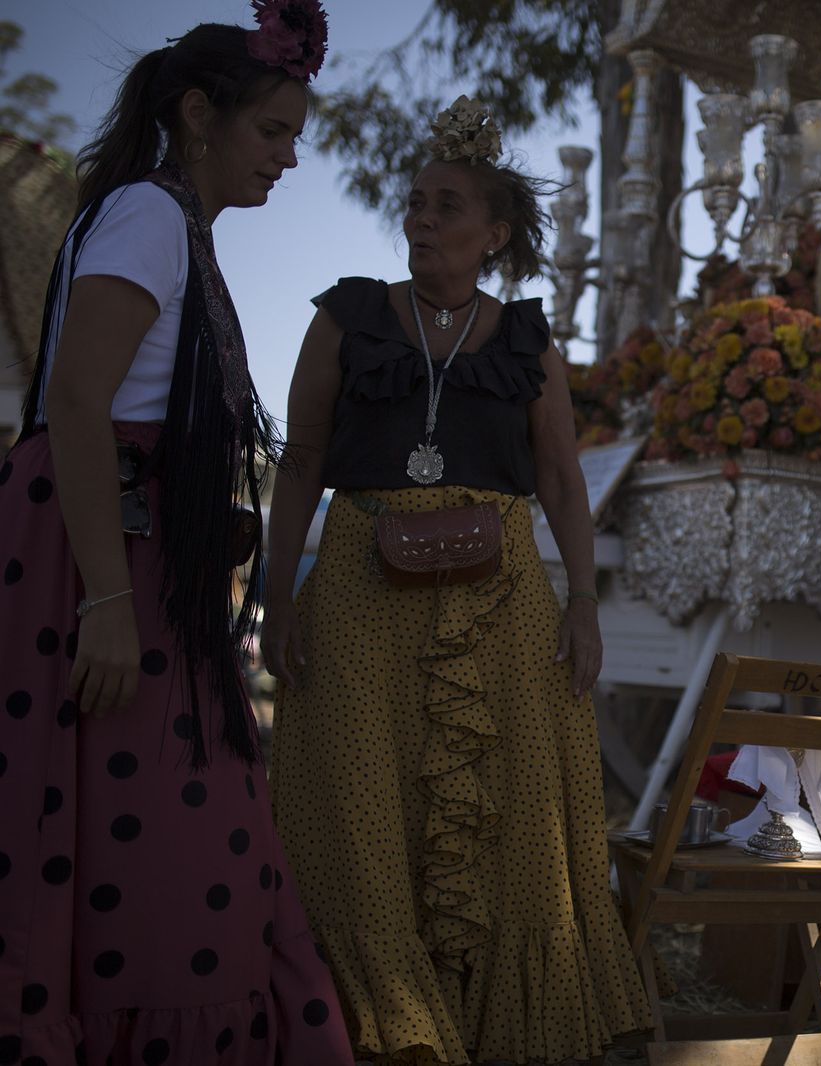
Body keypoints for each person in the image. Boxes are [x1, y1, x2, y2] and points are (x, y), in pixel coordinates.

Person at [261, 97, 651, 1065]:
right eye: (416, 201)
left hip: (499, 603)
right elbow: (300, 462)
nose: (422, 218)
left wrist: (584, 603)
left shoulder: (526, 340)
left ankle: (491, 1030)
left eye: (447, 205)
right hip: (358, 594)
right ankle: (379, 1029)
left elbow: (562, 479)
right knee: (362, 800)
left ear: (496, 233)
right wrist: (276, 592)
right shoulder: (348, 316)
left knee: (501, 802)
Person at [0, 5, 356, 1064]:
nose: (288, 158)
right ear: (199, 115)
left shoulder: (171, 227)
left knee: (170, 838)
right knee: (170, 848)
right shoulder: (151, 217)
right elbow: (76, 400)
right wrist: (108, 603)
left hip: (137, 561)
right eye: (272, 132)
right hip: (97, 563)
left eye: (295, 137)